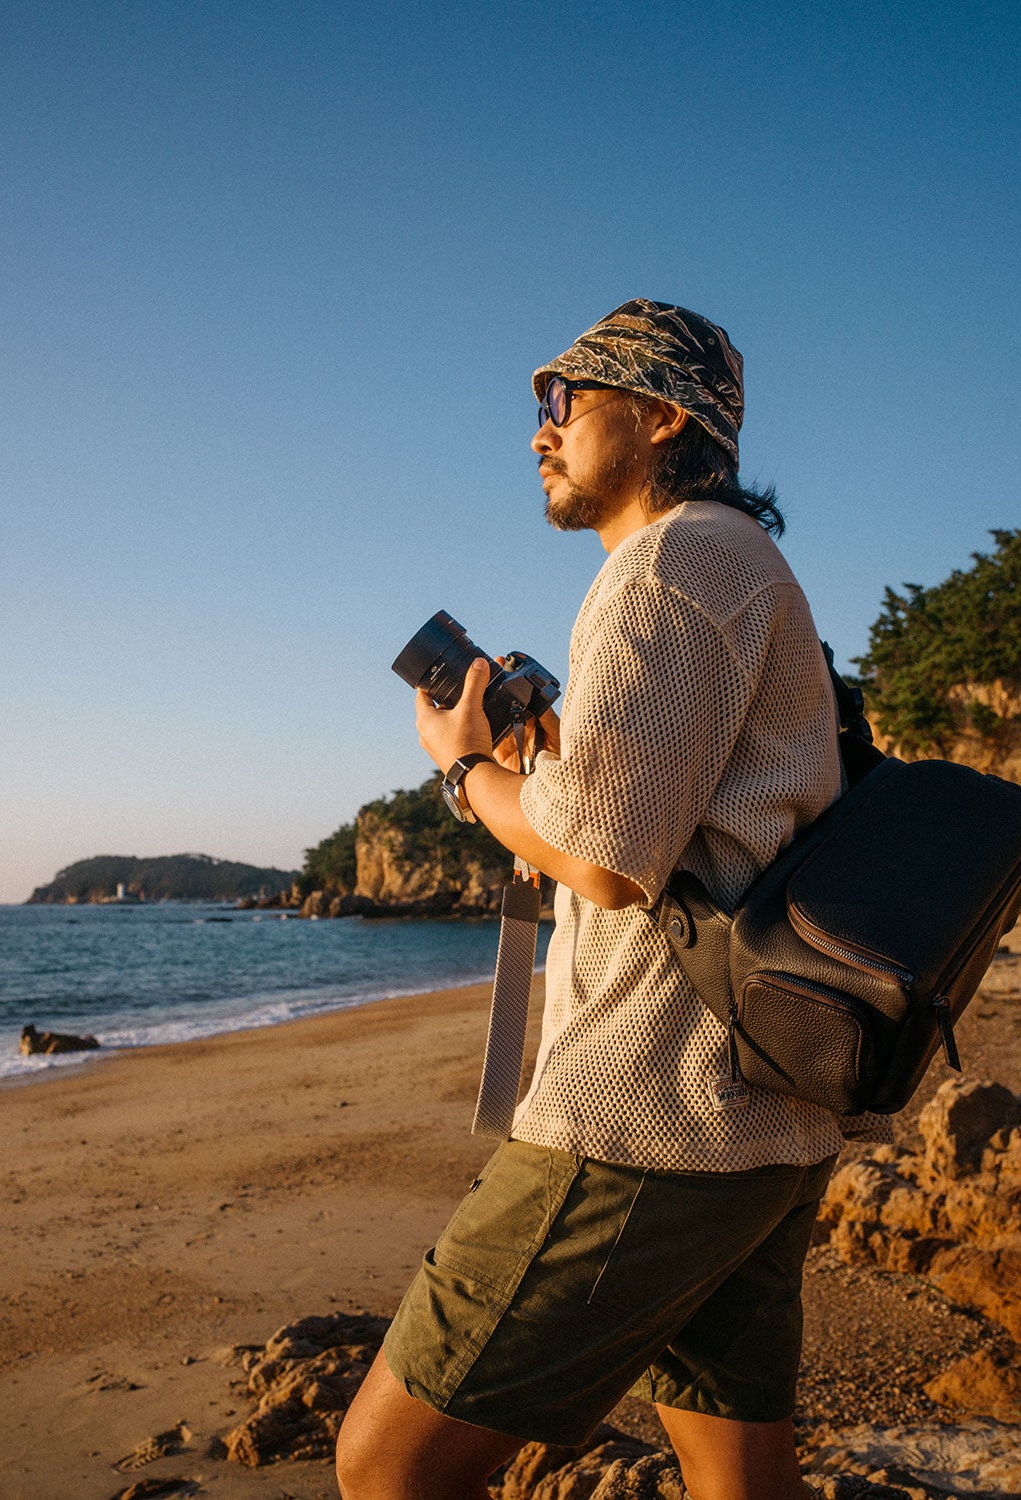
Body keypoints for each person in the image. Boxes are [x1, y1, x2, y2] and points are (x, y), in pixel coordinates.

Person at [337, 300, 875, 1500]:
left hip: (650, 1109)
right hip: (760, 1111)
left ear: (661, 416)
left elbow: (608, 860)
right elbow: (657, 833)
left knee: (386, 1467)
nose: (540, 429)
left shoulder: (670, 563)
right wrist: (542, 769)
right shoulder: (740, 564)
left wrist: (463, 770)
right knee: (739, 1478)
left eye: (564, 400)